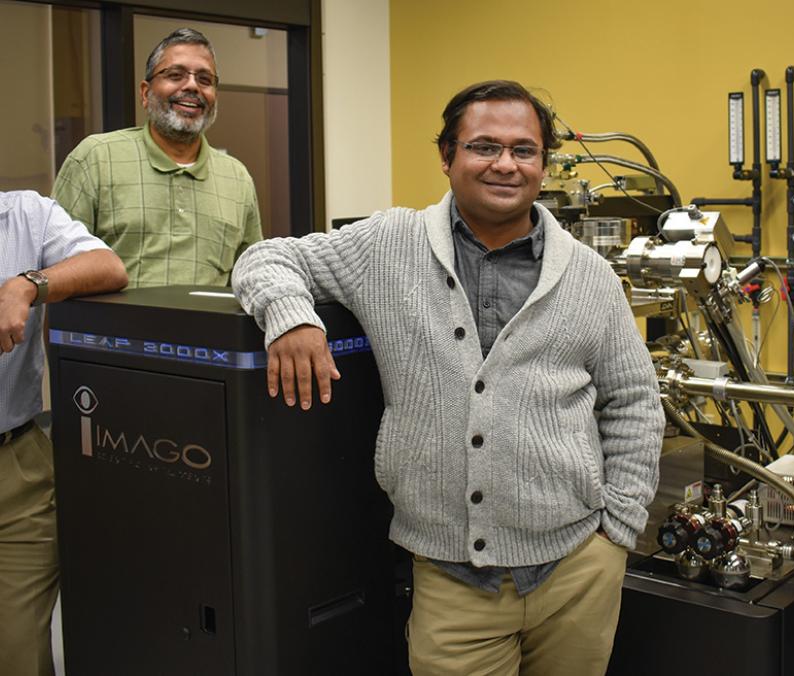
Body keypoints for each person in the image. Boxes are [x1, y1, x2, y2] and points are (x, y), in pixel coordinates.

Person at [232, 80, 664, 675]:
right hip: (452, 580)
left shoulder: (588, 275)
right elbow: (266, 257)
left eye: (524, 150)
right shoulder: (389, 244)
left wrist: (619, 528)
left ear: (544, 163)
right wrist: (291, 318)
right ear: (447, 156)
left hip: (577, 570)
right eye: (484, 146)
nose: (506, 164)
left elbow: (634, 401)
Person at [0, 190, 128, 676]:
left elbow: (108, 266)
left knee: (19, 654)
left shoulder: (24, 215)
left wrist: (27, 283)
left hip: (16, 469)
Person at [52, 27, 261, 288]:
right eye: (175, 75)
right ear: (145, 92)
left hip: (209, 330)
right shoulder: (96, 158)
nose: (192, 86)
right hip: (114, 329)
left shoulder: (237, 178)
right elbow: (54, 265)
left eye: (205, 80)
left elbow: (252, 277)